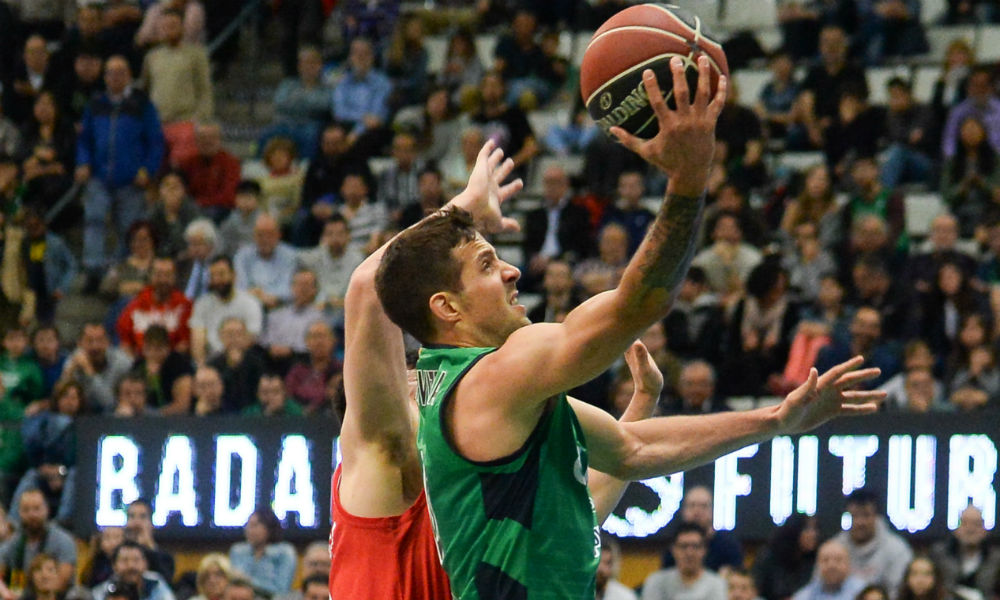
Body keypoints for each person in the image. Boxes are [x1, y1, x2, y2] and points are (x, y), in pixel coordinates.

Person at [375, 59, 883, 598]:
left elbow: (630, 451)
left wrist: (776, 419)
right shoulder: (493, 379)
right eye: (484, 265)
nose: (511, 270)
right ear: (446, 308)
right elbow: (635, 305)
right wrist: (689, 179)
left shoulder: (484, 388)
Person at [331, 140, 659, 598]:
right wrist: (463, 211)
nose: (436, 388)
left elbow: (581, 508)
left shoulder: (468, 477)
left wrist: (641, 404)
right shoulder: (382, 455)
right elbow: (369, 285)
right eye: (417, 380)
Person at [75, 55, 164, 286]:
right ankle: (93, 271)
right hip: (99, 177)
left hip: (131, 181)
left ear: (129, 76)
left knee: (130, 228)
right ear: (105, 77)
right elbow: (84, 139)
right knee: (94, 220)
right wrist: (83, 162)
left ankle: (120, 271)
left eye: (120, 73)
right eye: (111, 73)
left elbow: (155, 142)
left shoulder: (142, 104)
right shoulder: (95, 104)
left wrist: (148, 169)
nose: (115, 77)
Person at [139, 8, 212, 165]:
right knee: (156, 170)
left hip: (185, 122)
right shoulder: (151, 57)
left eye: (173, 25)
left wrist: (200, 120)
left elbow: (204, 90)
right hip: (158, 123)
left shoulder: (196, 54)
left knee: (183, 169)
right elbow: (145, 89)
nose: (168, 29)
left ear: (182, 27)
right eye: (165, 26)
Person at [188, 256, 263, 365]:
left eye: (221, 274)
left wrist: (231, 357)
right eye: (213, 276)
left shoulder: (250, 303)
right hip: (211, 361)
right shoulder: (201, 304)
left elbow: (251, 338)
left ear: (233, 275)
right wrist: (202, 367)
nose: (217, 280)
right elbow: (197, 342)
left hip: (243, 360)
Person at [834, 489, 914, 591]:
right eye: (855, 516)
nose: (860, 522)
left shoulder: (897, 550)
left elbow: (900, 593)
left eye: (866, 515)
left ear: (877, 517)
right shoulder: (834, 549)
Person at [0, 489, 76, 591]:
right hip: (20, 593)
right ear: (19, 513)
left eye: (37, 509)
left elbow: (62, 581)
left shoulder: (63, 541)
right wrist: (6, 593)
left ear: (46, 509)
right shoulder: (15, 541)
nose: (32, 515)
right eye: (26, 510)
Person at [116, 257, 192, 355]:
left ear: (175, 277)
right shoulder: (135, 305)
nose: (163, 280)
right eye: (158, 274)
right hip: (140, 363)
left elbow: (185, 344)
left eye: (168, 275)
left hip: (173, 364)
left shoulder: (185, 306)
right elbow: (125, 343)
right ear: (150, 276)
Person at [661, 486, 743, 572]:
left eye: (703, 506)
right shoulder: (674, 544)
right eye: (692, 505)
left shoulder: (728, 545)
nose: (697, 511)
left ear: (712, 511)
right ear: (683, 511)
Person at [57, 323, 132, 414]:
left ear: (108, 342)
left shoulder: (122, 362)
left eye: (100, 340)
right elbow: (59, 399)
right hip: (81, 414)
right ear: (79, 343)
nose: (95, 346)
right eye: (89, 341)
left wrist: (89, 371)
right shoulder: (74, 360)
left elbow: (108, 403)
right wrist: (69, 372)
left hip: (113, 414)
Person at [642, 522, 728, 600]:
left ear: (704, 550)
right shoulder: (656, 582)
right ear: (673, 550)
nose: (689, 553)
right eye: (683, 546)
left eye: (695, 546)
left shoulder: (717, 585)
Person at [929, 505, 1000, 599]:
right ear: (956, 529)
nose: (970, 529)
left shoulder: (996, 559)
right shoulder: (939, 555)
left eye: (976, 524)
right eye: (965, 523)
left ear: (985, 530)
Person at [228, 508, 296, 596]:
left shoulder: (284, 552)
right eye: (248, 526)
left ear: (269, 528)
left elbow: (281, 590)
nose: (249, 530)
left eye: (254, 526)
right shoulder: (237, 551)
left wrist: (247, 581)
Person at [753, 514, 819, 600]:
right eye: (807, 529)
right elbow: (757, 589)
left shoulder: (815, 559)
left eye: (815, 529)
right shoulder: (769, 557)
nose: (813, 534)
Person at [92, 541, 175, 600]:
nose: (131, 566)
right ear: (114, 566)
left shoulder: (156, 584)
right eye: (124, 560)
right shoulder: (104, 591)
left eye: (136, 560)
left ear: (145, 564)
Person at [792, 540, 866, 600]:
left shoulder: (863, 592)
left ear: (848, 564)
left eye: (838, 560)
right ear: (817, 566)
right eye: (825, 560)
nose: (831, 566)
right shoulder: (803, 596)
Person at [124, 499, 174, 582]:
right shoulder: (116, 553)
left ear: (151, 524)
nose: (137, 522)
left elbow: (165, 584)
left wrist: (150, 548)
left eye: (142, 517)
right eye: (132, 516)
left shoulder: (166, 558)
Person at [598, 535, 637, 600]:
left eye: (607, 563)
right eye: (598, 563)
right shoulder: (577, 593)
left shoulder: (624, 596)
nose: (600, 569)